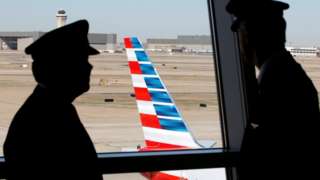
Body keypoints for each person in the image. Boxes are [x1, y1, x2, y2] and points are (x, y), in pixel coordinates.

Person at [226, 0, 320, 179]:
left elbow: (272, 154)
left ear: (249, 37)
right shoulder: (284, 74)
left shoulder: (277, 81)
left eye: (241, 34)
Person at [3, 20, 103, 180]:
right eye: (81, 60)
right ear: (59, 68)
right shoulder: (45, 117)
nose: (89, 67)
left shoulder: (52, 109)